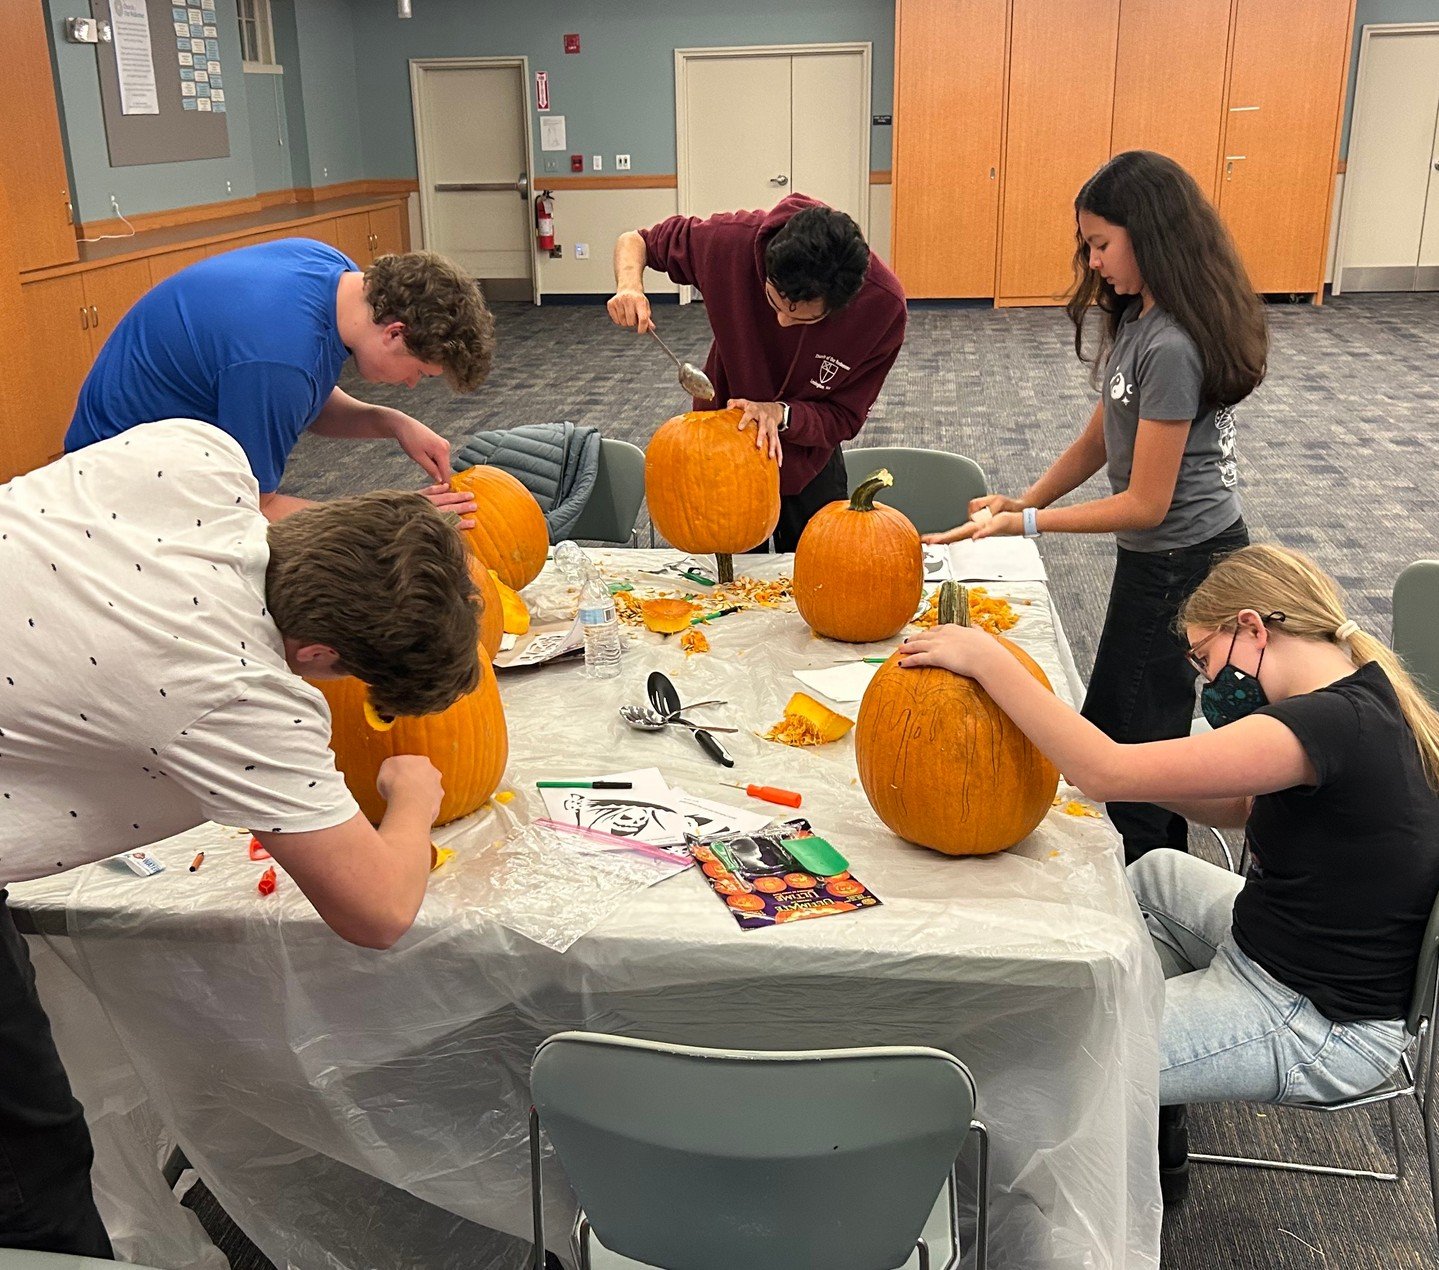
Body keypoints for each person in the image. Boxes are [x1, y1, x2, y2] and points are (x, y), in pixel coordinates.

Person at [0, 417, 483, 1256]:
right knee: (29, 1166)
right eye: (345, 675)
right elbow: (376, 912)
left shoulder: (196, 453)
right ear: (317, 651)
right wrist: (409, 799)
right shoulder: (230, 689)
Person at [899, 544, 1439, 1202]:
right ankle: (1107, 1002)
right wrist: (1146, 775)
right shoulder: (1355, 688)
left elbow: (1103, 772)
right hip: (1282, 945)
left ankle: (1079, 1082)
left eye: (1204, 659)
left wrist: (988, 661)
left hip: (1313, 1019)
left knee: (1059, 1063)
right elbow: (1239, 807)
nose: (1209, 682)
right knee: (1155, 875)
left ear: (1251, 628)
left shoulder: (1321, 724)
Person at [926, 151, 1269, 862]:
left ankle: (1150, 880)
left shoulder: (1173, 345)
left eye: (1102, 244)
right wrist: (1026, 497)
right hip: (1160, 558)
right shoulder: (1139, 317)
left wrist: (1026, 523)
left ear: (1152, 235)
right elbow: (1100, 436)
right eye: (1087, 244)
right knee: (1126, 718)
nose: (1092, 261)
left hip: (1186, 561)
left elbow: (1145, 504)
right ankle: (1145, 864)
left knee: (1132, 737)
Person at [65, 241, 496, 524]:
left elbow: (308, 396)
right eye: (420, 371)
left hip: (160, 446)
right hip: (116, 489)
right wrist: (394, 516)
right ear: (396, 334)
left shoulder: (333, 271)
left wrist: (392, 422)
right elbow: (254, 510)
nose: (412, 384)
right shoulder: (279, 361)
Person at [607, 194, 907, 550]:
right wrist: (629, 286)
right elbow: (636, 240)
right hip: (719, 447)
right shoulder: (731, 241)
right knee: (728, 573)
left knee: (817, 564)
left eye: (803, 318)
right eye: (773, 301)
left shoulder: (882, 309)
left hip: (807, 457)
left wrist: (781, 413)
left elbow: (844, 416)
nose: (781, 321)